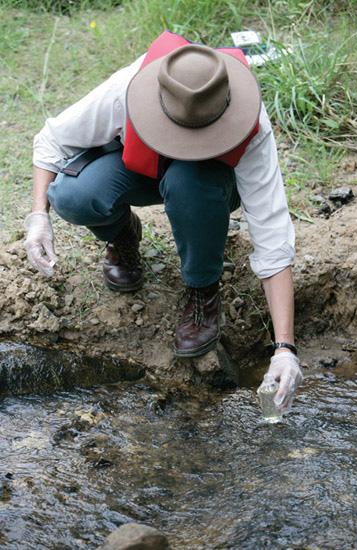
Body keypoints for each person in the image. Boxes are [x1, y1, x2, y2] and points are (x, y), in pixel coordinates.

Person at [25, 31, 303, 412]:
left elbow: (273, 235)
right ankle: (122, 236)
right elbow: (51, 140)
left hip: (208, 183)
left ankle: (202, 290)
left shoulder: (250, 122)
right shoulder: (127, 90)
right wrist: (39, 215)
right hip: (143, 170)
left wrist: (284, 348)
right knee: (73, 195)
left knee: (189, 180)